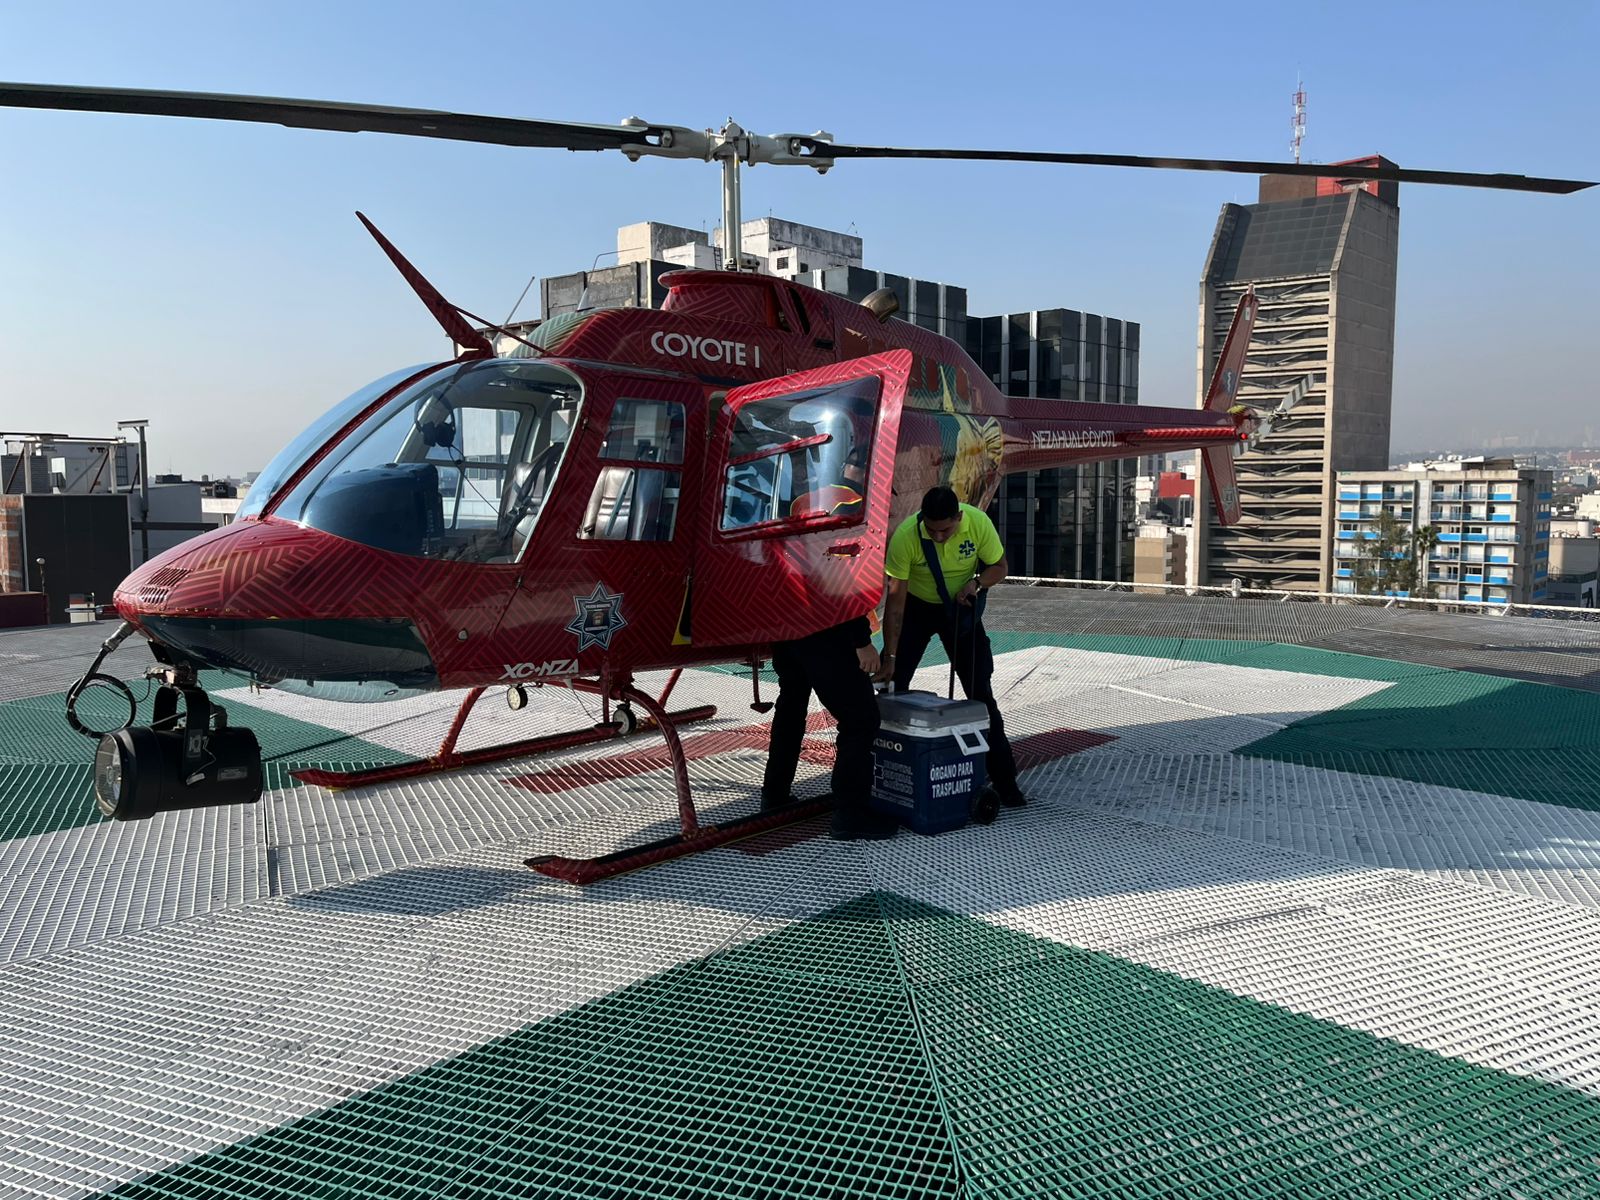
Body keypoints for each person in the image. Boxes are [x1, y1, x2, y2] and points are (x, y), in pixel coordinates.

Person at [873, 485, 1026, 807]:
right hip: (916, 608)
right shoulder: (906, 537)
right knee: (893, 688)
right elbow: (896, 604)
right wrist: (889, 656)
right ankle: (886, 774)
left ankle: (1005, 781)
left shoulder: (978, 522)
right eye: (931, 530)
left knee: (981, 695)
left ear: (959, 517)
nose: (938, 537)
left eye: (945, 529)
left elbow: (999, 567)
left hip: (959, 609)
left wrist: (977, 583)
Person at [762, 613, 896, 840]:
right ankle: (851, 814)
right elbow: (842, 586)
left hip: (785, 626)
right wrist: (861, 640)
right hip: (827, 628)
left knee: (791, 707)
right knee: (860, 720)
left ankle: (775, 793)